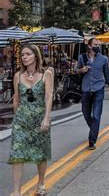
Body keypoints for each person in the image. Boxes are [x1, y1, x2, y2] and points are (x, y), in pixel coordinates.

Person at [9, 44, 54, 196]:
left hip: (40, 121)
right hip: (21, 122)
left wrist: (47, 118)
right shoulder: (17, 76)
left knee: (40, 154)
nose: (24, 57)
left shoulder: (46, 74)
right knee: (17, 155)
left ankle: (41, 183)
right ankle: (16, 191)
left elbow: (48, 97)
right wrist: (17, 119)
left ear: (36, 56)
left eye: (28, 54)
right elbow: (16, 99)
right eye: (22, 55)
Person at [76, 38, 109, 150]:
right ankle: (94, 129)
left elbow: (107, 75)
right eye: (95, 44)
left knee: (96, 115)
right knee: (86, 113)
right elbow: (76, 70)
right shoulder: (82, 57)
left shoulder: (103, 59)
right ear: (89, 46)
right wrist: (81, 70)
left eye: (99, 44)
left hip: (99, 89)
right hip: (86, 89)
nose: (97, 46)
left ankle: (92, 140)